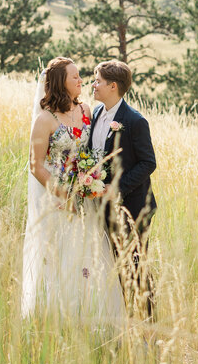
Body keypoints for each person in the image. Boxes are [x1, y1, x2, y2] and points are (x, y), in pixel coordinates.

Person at [21, 55, 125, 324]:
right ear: (60, 83)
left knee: (88, 259)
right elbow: (35, 165)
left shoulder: (87, 110)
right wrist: (63, 194)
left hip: (86, 199)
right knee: (58, 260)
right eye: (75, 76)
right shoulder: (44, 120)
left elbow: (91, 151)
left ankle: (90, 318)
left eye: (80, 76)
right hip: (56, 201)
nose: (82, 80)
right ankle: (55, 319)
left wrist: (90, 181)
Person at [90, 60, 157, 317]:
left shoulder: (135, 121)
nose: (94, 85)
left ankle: (149, 325)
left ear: (113, 86)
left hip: (133, 206)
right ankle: (120, 317)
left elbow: (148, 163)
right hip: (102, 205)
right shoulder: (96, 113)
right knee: (112, 263)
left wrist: (115, 189)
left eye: (98, 81)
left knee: (137, 266)